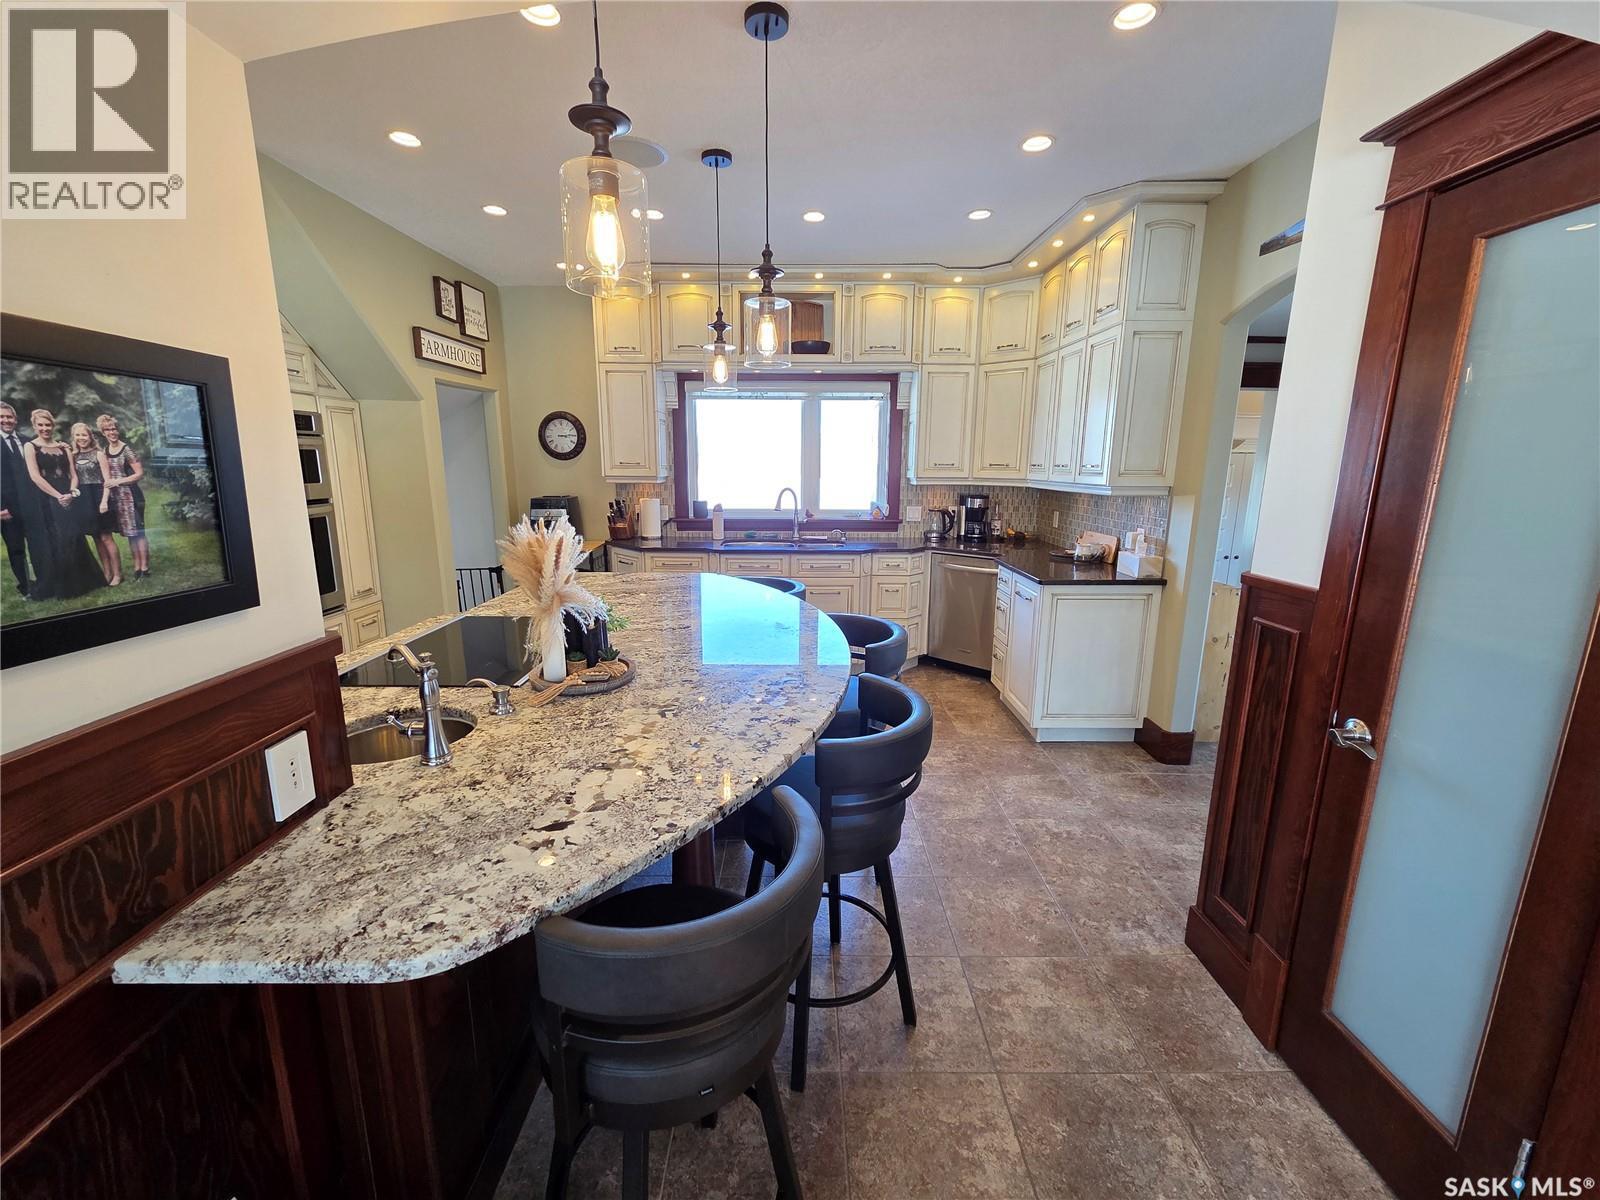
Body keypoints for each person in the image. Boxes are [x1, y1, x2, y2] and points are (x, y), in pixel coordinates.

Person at [21, 410, 102, 601]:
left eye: (48, 425)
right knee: (59, 540)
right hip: (47, 498)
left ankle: (85, 582)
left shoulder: (64, 447)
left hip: (69, 494)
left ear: (53, 425)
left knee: (75, 536)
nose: (45, 428)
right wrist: (58, 496)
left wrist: (72, 493)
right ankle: (65, 586)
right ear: (35, 426)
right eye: (40, 425)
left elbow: (73, 474)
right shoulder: (30, 446)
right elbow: (35, 476)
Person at [97, 413, 149, 580]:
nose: (112, 432)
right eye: (108, 430)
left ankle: (144, 567)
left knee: (139, 533)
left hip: (132, 495)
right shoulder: (104, 451)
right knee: (130, 533)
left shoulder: (126, 449)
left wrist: (118, 481)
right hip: (118, 498)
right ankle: (136, 567)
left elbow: (139, 473)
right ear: (103, 432)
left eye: (114, 429)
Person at [70, 422, 122, 586]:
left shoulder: (99, 454)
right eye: (78, 435)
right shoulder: (73, 455)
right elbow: (73, 477)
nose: (81, 438)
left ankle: (118, 574)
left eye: (84, 435)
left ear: (90, 436)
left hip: (100, 495)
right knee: (96, 538)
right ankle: (106, 573)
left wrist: (104, 500)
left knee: (106, 537)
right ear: (74, 437)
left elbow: (107, 480)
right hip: (84, 498)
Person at [0, 402, 36, 599]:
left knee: (39, 544)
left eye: (9, 417)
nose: (6, 420)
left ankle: (45, 582)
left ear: (15, 419)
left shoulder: (27, 441)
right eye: (2, 417)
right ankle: (26, 588)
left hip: (31, 505)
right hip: (7, 509)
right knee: (16, 549)